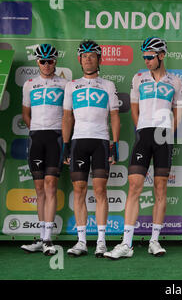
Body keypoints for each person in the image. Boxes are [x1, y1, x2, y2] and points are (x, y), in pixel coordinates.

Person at [104, 37, 182, 259]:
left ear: (161, 55)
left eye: (150, 57)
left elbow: (177, 111)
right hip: (144, 135)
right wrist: (142, 129)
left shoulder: (176, 81)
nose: (146, 61)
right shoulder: (138, 78)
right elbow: (135, 109)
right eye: (144, 57)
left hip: (164, 136)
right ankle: (126, 244)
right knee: (135, 185)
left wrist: (170, 131)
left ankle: (154, 241)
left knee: (160, 189)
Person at [62, 40, 120, 257]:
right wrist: (66, 145)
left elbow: (115, 116)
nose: (87, 59)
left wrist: (114, 144)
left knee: (100, 191)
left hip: (100, 142)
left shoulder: (108, 85)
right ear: (80, 59)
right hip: (78, 142)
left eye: (92, 55)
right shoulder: (71, 85)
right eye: (84, 56)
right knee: (79, 190)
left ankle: (102, 242)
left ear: (99, 59)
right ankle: (81, 241)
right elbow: (67, 117)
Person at [20, 44, 67, 256]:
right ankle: (41, 237)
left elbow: (69, 115)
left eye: (50, 61)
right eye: (42, 61)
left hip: (56, 137)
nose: (46, 65)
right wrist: (37, 130)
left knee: (50, 185)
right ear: (37, 62)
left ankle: (48, 238)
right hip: (37, 137)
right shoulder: (29, 85)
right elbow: (26, 114)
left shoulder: (65, 84)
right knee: (39, 188)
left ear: (55, 62)